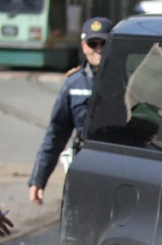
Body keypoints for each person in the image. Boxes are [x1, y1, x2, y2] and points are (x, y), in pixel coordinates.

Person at [28, 16, 114, 205]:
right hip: (84, 165)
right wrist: (38, 179)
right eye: (93, 44)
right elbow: (56, 133)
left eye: (104, 44)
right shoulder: (73, 83)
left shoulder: (126, 81)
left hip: (117, 165)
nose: (98, 50)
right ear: (84, 47)